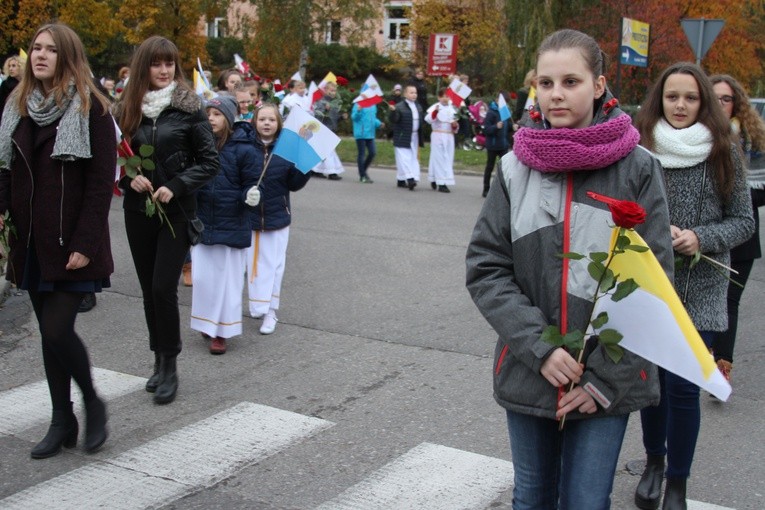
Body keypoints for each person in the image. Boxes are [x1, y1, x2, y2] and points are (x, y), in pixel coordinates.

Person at [465, 29, 674, 509]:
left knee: (585, 501)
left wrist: (603, 378)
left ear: (599, 85)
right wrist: (540, 349)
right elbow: (486, 266)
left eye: (571, 81)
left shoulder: (639, 167)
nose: (555, 93)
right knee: (532, 497)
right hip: (529, 367)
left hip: (608, 379)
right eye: (545, 82)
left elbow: (653, 284)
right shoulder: (515, 167)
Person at [633, 62, 754, 510]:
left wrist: (701, 237)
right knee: (652, 385)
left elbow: (743, 221)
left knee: (684, 387)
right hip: (649, 283)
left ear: (703, 101)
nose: (680, 105)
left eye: (690, 97)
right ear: (659, 100)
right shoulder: (639, 149)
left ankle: (678, 482)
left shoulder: (723, 152)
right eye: (671, 96)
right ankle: (653, 463)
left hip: (702, 287)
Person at [0, 23, 116, 458]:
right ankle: (61, 419)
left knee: (56, 327)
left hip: (72, 242)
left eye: (51, 49)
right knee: (50, 338)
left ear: (67, 56)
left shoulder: (92, 109)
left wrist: (85, 241)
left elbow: (103, 182)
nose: (40, 55)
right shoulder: (17, 106)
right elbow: (5, 168)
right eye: (35, 48)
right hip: (30, 239)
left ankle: (92, 401)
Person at [115, 35, 219, 405]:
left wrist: (175, 185)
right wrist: (130, 177)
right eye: (157, 64)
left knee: (163, 287)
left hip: (176, 211)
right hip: (138, 210)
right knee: (147, 290)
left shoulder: (190, 108)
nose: (163, 71)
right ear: (144, 66)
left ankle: (171, 365)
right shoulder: (125, 109)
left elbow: (210, 162)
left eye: (169, 63)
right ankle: (157, 361)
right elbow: (115, 157)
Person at [709, 74, 765, 383]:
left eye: (726, 99)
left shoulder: (753, 141)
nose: (720, 104)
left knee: (729, 302)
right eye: (714, 98)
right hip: (703, 235)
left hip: (742, 237)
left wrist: (737, 196)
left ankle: (722, 368)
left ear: (736, 104)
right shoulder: (694, 135)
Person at [192, 96, 258, 354]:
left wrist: (251, 196)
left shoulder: (245, 149)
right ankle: (206, 322)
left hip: (232, 222)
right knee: (202, 278)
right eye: (207, 113)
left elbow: (253, 183)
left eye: (217, 114)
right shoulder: (197, 146)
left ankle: (222, 330)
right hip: (202, 222)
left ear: (229, 120)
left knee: (227, 281)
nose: (211, 118)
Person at [246, 103, 310, 334]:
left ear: (279, 124)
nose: (266, 123)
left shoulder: (286, 150)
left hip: (277, 218)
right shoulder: (246, 148)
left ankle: (271, 311)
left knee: (274, 266)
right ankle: (256, 304)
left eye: (271, 120)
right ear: (254, 122)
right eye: (262, 119)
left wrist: (304, 166)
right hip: (250, 217)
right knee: (252, 266)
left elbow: (294, 183)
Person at [389, 84, 423, 190]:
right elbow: (394, 120)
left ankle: (401, 179)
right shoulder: (399, 106)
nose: (414, 95)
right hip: (402, 136)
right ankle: (410, 178)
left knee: (413, 157)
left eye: (415, 93)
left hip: (414, 135)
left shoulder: (418, 106)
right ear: (405, 94)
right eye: (411, 92)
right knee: (404, 157)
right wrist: (393, 112)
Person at [424, 88, 458, 193]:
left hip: (449, 136)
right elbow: (428, 119)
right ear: (439, 97)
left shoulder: (453, 109)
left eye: (447, 96)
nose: (445, 98)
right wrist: (435, 112)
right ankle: (441, 183)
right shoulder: (435, 107)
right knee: (439, 158)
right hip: (438, 134)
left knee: (447, 158)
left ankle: (434, 177)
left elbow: (455, 125)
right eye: (443, 96)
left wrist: (455, 125)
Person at [312, 81, 345, 180]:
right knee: (329, 152)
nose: (333, 92)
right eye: (331, 90)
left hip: (331, 130)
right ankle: (332, 172)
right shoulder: (320, 102)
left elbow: (334, 118)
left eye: (335, 91)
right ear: (325, 90)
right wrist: (325, 110)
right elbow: (317, 116)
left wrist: (341, 117)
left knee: (322, 152)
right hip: (323, 130)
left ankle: (315, 170)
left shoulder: (334, 103)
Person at [482, 93, 511, 197]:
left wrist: (514, 127)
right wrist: (496, 127)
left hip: (503, 145)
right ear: (497, 99)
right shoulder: (491, 113)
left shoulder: (505, 112)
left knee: (505, 169)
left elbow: (509, 128)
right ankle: (486, 188)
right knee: (489, 166)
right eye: (502, 101)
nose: (504, 104)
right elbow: (486, 129)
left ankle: (504, 191)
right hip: (493, 145)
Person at [351, 99, 383, 183]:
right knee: (362, 154)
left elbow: (372, 118)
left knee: (372, 152)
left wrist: (379, 123)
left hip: (370, 133)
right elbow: (354, 117)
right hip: (360, 133)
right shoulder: (358, 103)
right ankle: (362, 176)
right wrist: (358, 110)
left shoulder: (373, 104)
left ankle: (362, 170)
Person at [0, 55, 25, 121]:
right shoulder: (5, 84)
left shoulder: (28, 83)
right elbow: (1, 105)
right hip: (9, 118)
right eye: (9, 66)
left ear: (21, 67)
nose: (10, 68)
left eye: (13, 66)